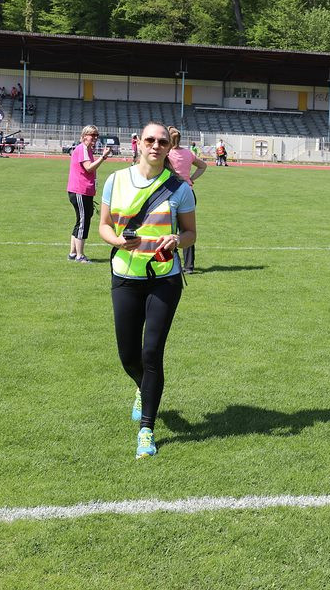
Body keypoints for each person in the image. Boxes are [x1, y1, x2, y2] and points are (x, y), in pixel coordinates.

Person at [98, 122, 196, 459]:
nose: (156, 146)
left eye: (163, 142)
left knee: (151, 352)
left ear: (170, 147)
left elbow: (191, 234)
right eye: (150, 140)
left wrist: (177, 240)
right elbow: (105, 226)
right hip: (125, 275)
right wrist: (120, 244)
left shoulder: (179, 188)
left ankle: (147, 431)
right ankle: (143, 388)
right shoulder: (116, 180)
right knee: (128, 355)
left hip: (164, 278)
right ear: (137, 142)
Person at [67, 125, 111, 263]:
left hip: (83, 190)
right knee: (83, 222)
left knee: (81, 220)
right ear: (85, 135)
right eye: (92, 135)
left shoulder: (87, 150)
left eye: (96, 135)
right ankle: (80, 255)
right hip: (80, 190)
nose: (95, 137)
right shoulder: (83, 149)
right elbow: (89, 168)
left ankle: (73, 253)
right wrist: (103, 157)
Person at [166, 125, 208, 273]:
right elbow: (203, 166)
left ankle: (168, 262)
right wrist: (191, 178)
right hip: (188, 191)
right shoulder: (189, 153)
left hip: (170, 193)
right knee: (188, 231)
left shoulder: (166, 154)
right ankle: (189, 266)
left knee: (168, 229)